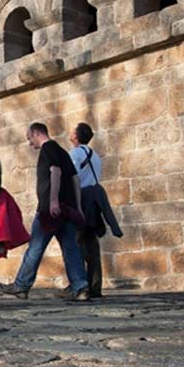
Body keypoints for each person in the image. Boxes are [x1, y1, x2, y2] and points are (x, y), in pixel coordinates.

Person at [0, 123, 91, 302]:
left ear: (36, 133)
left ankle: (21, 285)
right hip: (67, 209)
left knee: (35, 247)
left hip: (50, 210)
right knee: (71, 248)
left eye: (29, 138)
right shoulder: (63, 152)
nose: (30, 143)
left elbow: (55, 172)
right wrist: (78, 207)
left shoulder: (48, 149)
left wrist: (53, 201)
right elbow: (75, 179)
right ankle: (80, 287)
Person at [69, 122, 123, 298]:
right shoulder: (96, 156)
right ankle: (95, 285)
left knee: (75, 243)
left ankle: (78, 285)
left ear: (76, 136)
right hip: (94, 201)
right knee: (92, 245)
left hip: (82, 199)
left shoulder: (75, 153)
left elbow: (74, 178)